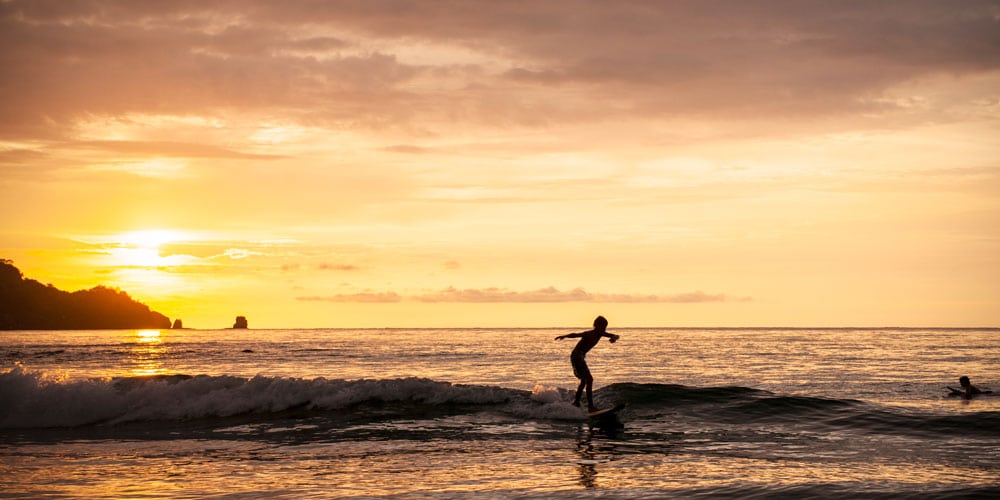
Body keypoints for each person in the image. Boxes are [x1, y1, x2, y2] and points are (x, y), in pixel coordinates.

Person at [555, 316, 620, 412]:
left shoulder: (601, 334)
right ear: (596, 325)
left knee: (584, 381)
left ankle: (576, 403)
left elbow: (616, 335)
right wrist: (564, 336)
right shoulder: (590, 333)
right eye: (602, 327)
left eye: (605, 327)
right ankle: (590, 407)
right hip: (577, 356)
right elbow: (575, 335)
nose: (603, 329)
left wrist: (614, 338)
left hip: (580, 356)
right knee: (589, 379)